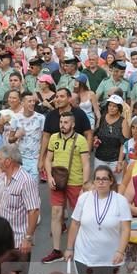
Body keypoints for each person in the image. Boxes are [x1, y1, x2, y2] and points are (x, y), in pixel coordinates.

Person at [64, 165, 131, 274]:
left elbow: (126, 228)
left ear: (111, 181)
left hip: (110, 256)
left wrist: (120, 251)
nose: (101, 182)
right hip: (84, 254)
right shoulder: (84, 199)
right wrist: (69, 247)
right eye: (98, 179)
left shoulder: (120, 201)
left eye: (104, 179)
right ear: (93, 182)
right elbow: (75, 223)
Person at [43, 112, 90, 263]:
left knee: (79, 216)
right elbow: (48, 159)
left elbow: (86, 164)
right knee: (56, 213)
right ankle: (56, 250)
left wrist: (85, 184)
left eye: (66, 122)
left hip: (75, 182)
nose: (62, 125)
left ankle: (79, 248)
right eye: (61, 122)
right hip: (57, 181)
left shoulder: (81, 140)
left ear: (73, 124)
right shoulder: (54, 138)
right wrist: (49, 176)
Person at [94, 95, 130, 184]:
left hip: (115, 159)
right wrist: (96, 140)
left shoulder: (123, 122)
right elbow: (96, 134)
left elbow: (124, 143)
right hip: (100, 158)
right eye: (110, 105)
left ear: (119, 108)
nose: (111, 108)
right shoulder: (102, 118)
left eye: (114, 106)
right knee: (99, 183)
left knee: (116, 184)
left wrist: (120, 162)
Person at [9, 92, 45, 180]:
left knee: (33, 187)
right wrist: (17, 136)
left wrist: (42, 159)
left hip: (35, 159)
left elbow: (45, 139)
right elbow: (10, 140)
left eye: (33, 101)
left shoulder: (41, 118)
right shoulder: (15, 118)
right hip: (20, 159)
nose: (32, 103)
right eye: (29, 101)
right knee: (19, 187)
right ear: (22, 103)